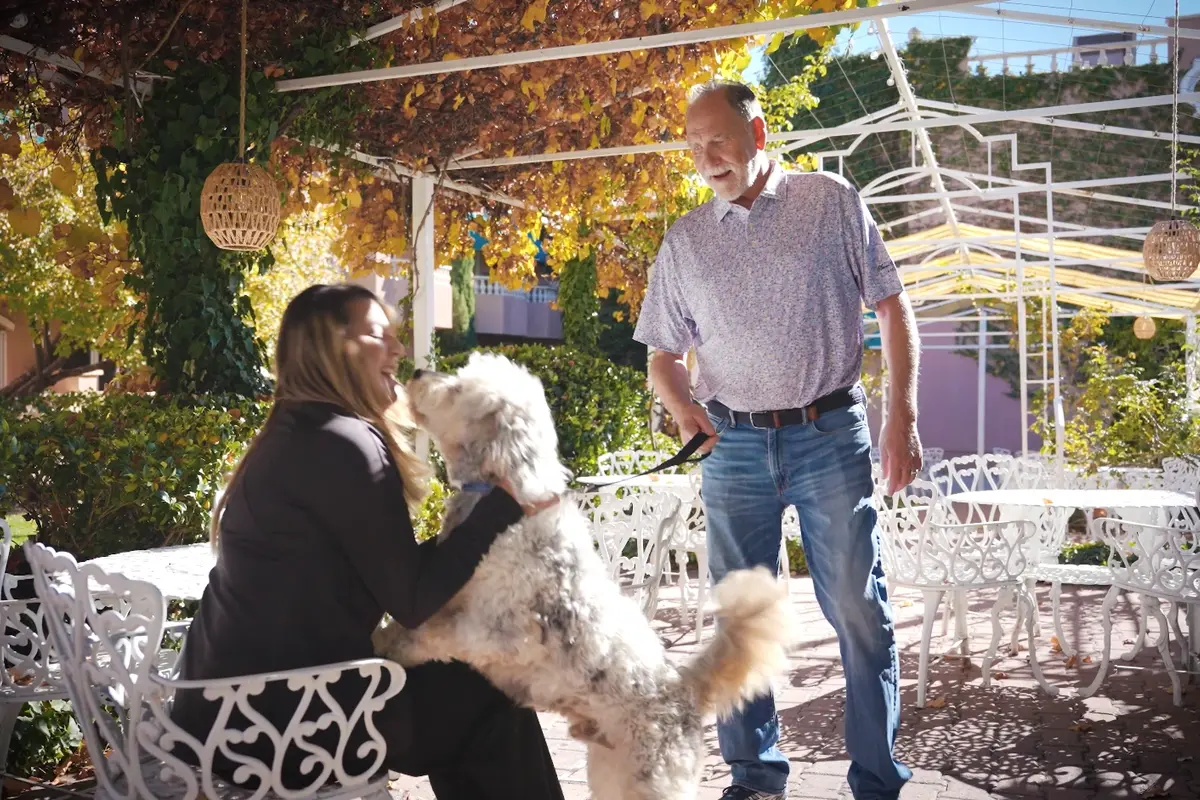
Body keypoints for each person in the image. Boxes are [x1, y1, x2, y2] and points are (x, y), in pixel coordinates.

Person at [633, 81, 922, 800]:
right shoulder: (686, 241)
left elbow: (891, 305)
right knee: (741, 618)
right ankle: (755, 778)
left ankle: (877, 781)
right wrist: (680, 408)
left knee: (858, 608)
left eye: (718, 140)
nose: (706, 158)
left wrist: (902, 417)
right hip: (731, 446)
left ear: (757, 134)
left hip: (830, 434)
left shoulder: (830, 202)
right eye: (694, 147)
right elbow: (662, 355)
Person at [170, 283, 565, 800]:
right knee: (490, 689)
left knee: (467, 689)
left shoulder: (297, 432)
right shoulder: (347, 443)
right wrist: (504, 505)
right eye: (381, 335)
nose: (399, 351)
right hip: (289, 724)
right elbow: (413, 600)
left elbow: (381, 574)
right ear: (337, 349)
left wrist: (473, 525)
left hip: (224, 714)